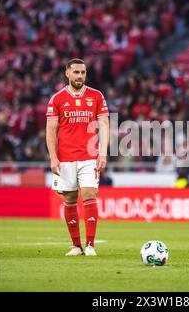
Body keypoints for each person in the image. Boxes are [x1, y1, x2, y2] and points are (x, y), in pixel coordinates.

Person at [46, 58, 109, 256]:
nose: (80, 76)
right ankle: (76, 246)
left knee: (89, 195)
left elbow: (105, 125)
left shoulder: (96, 96)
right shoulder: (57, 99)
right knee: (70, 199)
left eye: (82, 72)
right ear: (67, 73)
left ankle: (90, 245)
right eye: (76, 72)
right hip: (65, 158)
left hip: (89, 156)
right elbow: (50, 130)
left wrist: (103, 153)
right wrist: (53, 157)